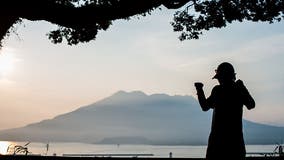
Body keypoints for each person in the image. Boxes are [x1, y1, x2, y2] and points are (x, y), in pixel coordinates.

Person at [194, 62, 255, 160]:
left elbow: (205, 107)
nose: (218, 80)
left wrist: (199, 89)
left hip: (217, 144)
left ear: (222, 77)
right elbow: (251, 104)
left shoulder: (218, 91)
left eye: (219, 78)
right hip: (235, 144)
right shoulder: (238, 89)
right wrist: (243, 88)